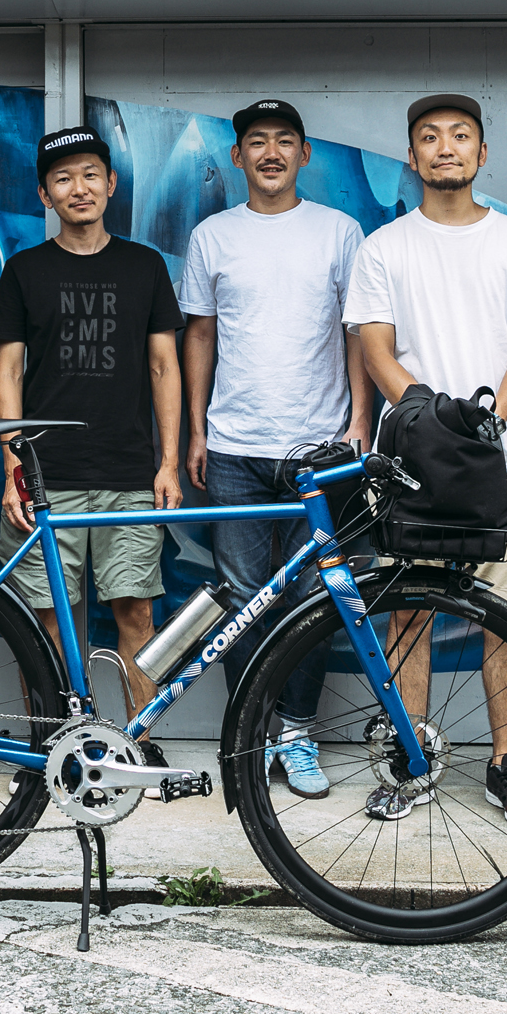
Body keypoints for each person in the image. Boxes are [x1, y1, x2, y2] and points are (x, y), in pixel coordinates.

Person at [344, 93, 507, 828]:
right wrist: (435, 426)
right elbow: (376, 349)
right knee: (408, 615)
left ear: (481, 154)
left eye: (460, 136)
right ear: (413, 156)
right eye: (430, 138)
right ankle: (414, 760)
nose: (445, 148)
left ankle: (506, 765)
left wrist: (483, 423)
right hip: (410, 466)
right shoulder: (384, 248)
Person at [179, 99, 371, 799]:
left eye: (283, 141)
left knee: (317, 599)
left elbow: (358, 331)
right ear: (237, 157)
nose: (269, 152)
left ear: (303, 154)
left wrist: (359, 420)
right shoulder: (213, 236)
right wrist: (197, 429)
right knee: (242, 603)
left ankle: (297, 734)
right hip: (233, 449)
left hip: (320, 452)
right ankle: (252, 734)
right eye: (256, 142)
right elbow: (198, 334)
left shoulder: (339, 232)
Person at [0, 127, 185, 738]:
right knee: (49, 620)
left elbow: (163, 366)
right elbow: (8, 375)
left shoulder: (144, 266)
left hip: (127, 473)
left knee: (136, 612)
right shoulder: (24, 271)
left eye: (91, 174)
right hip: (47, 480)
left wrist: (168, 462)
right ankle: (57, 743)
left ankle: (136, 743)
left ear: (111, 183)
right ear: (46, 194)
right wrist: (15, 471)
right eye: (64, 178)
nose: (80, 188)